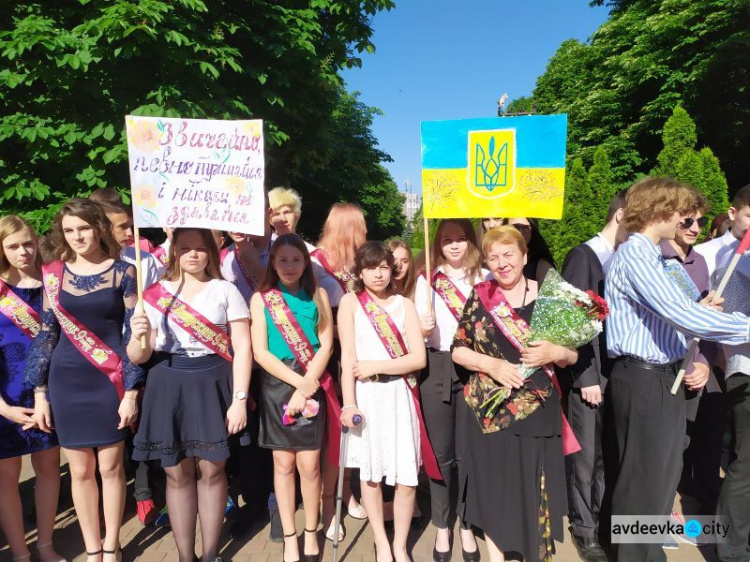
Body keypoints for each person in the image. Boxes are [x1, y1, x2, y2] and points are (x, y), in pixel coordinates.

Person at [604, 177, 750, 562]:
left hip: (664, 378)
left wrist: (705, 310)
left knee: (661, 483)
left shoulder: (657, 255)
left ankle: (648, 555)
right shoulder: (637, 254)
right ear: (661, 211)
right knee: (642, 487)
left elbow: (687, 312)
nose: (689, 221)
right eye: (683, 212)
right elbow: (682, 315)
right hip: (642, 378)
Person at [26, 199, 143, 562]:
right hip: (66, 381)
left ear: (99, 228)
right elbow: (47, 334)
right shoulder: (53, 274)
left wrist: (132, 390)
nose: (77, 236)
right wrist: (41, 393)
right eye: (69, 230)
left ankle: (112, 545)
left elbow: (130, 336)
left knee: (110, 469)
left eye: (84, 228)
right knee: (79, 471)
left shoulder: (125, 272)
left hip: (109, 381)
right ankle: (92, 548)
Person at [452, 226, 577, 562]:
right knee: (493, 490)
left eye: (508, 255)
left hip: (538, 409)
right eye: (493, 257)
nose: (501, 263)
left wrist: (554, 350)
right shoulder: (481, 295)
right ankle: (496, 557)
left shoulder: (551, 295)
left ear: (524, 256)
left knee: (534, 490)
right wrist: (491, 365)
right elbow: (458, 350)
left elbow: (572, 355)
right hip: (492, 410)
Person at [127, 228, 251, 562]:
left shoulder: (226, 290)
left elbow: (242, 348)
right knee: (176, 471)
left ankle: (210, 554)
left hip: (214, 381)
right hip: (168, 382)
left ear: (212, 251)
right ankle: (185, 556)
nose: (193, 255)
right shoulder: (152, 294)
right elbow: (139, 356)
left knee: (213, 470)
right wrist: (139, 335)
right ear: (174, 252)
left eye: (200, 248)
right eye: (185, 248)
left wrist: (239, 399)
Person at [338, 241, 434, 562]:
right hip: (366, 398)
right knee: (370, 475)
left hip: (399, 395)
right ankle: (381, 542)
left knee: (407, 477)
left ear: (391, 268)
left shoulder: (404, 305)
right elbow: (348, 360)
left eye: (383, 267)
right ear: (360, 272)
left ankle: (400, 545)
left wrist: (375, 366)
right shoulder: (351, 303)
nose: (377, 274)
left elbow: (417, 359)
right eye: (370, 267)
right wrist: (348, 404)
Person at [250, 233, 338, 562]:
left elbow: (326, 344)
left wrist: (307, 383)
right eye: (282, 259)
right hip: (277, 383)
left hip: (312, 378)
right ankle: (290, 536)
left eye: (296, 260)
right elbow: (260, 351)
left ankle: (311, 532)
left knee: (310, 466)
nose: (289, 266)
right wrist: (298, 385)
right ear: (272, 262)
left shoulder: (318, 294)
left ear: (306, 263)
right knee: (283, 464)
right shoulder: (262, 298)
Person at [558, 191, 628, 561]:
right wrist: (585, 377)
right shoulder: (584, 256)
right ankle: (584, 528)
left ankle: (603, 522)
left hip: (619, 374)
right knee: (586, 458)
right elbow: (571, 325)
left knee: (607, 456)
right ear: (621, 215)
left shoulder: (626, 257)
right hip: (590, 376)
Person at [413, 219, 486, 561]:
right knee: (440, 453)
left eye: (460, 239)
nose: (454, 245)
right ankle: (443, 525)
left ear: (471, 241)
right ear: (437, 244)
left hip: (475, 369)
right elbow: (413, 333)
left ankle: (467, 523)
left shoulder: (484, 277)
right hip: (437, 368)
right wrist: (423, 328)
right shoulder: (427, 280)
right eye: (447, 240)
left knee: (469, 452)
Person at [0, 216, 64, 562]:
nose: (22, 251)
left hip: (46, 393)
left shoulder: (52, 282)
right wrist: (2, 407)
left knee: (49, 470)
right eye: (12, 246)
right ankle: (21, 553)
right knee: (7, 478)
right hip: (5, 397)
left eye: (27, 243)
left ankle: (46, 545)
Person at [661, 201, 725, 521]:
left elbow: (708, 321)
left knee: (713, 419)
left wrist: (703, 364)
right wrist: (687, 366)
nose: (696, 228)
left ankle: (706, 498)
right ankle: (664, 509)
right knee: (673, 442)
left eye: (700, 221)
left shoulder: (701, 262)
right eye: (688, 221)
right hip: (667, 362)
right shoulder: (655, 259)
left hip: (698, 359)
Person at [312, 203, 369, 540]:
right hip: (329, 355)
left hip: (360, 353)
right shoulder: (316, 263)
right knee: (331, 435)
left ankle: (347, 491)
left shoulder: (363, 264)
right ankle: (328, 505)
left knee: (353, 430)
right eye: (359, 227)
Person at [713, 244, 750, 562]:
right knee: (747, 465)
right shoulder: (734, 266)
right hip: (748, 374)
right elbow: (732, 327)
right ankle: (731, 551)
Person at [501, 217, 556, 283]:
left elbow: (558, 293)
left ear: (532, 230)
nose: (521, 232)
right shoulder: (494, 263)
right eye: (516, 227)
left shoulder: (542, 266)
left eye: (525, 227)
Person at [268, 187, 316, 252]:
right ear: (270, 220)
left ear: (297, 215)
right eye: (276, 214)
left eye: (287, 212)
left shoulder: (311, 252)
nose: (283, 219)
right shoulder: (262, 249)